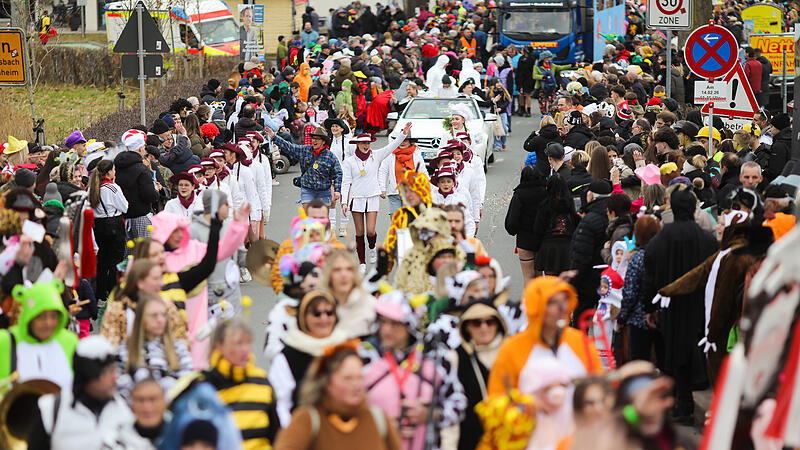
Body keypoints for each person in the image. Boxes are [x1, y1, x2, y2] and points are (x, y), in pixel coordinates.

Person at [644, 188, 718, 424]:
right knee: (700, 347)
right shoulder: (708, 240)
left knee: (674, 351)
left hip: (671, 306)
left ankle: (681, 403)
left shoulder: (660, 240)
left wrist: (649, 307)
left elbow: (649, 274)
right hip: (701, 304)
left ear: (673, 209)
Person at [274, 342, 402, 449]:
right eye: (348, 378)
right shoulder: (308, 419)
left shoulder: (378, 419)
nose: (356, 385)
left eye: (359, 377)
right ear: (327, 381)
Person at [488, 276, 603, 394]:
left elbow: (599, 387)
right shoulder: (512, 349)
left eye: (565, 300)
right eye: (553, 302)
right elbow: (498, 397)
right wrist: (530, 402)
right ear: (535, 306)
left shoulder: (580, 341)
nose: (562, 308)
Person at [27, 336, 134, 450]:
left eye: (114, 370)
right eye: (107, 372)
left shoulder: (126, 410)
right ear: (88, 376)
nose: (115, 378)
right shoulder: (51, 410)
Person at [269, 290, 347, 426]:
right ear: (303, 317)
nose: (324, 319)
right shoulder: (287, 356)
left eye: (329, 313)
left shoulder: (345, 348)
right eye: (316, 314)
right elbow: (281, 404)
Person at [341, 124, 411, 270]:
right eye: (363, 143)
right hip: (356, 198)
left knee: (371, 231)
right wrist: (344, 202)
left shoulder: (376, 155)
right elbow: (346, 183)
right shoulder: (349, 162)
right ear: (357, 144)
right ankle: (362, 262)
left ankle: (372, 248)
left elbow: (391, 147)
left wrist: (403, 134)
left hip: (372, 196)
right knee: (360, 232)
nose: (366, 146)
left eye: (368, 143)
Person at [202, 319, 280, 449]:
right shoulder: (204, 384)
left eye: (248, 343)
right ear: (219, 345)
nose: (245, 350)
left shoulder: (262, 381)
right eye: (238, 343)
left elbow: (276, 433)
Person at [0, 279, 78, 390]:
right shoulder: (5, 341)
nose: (48, 323)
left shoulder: (70, 341)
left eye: (54, 316)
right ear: (29, 317)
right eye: (41, 316)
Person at [453, 300, 508, 449]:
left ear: (498, 324)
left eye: (490, 322)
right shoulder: (456, 358)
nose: (484, 328)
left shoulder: (511, 352)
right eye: (476, 323)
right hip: (471, 442)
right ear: (466, 327)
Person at [117, 296, 193, 398]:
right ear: (141, 318)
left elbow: (187, 383)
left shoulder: (177, 348)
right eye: (154, 315)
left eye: (163, 315)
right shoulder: (125, 349)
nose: (160, 320)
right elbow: (118, 386)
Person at [265, 125, 343, 207]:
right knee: (308, 214)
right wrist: (274, 136)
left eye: (317, 139)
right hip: (307, 190)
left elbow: (338, 173)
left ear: (323, 142)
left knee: (321, 215)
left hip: (324, 192)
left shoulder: (330, 156)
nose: (314, 141)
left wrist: (337, 190)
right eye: (313, 138)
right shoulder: (305, 150)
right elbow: (290, 147)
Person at [569, 179, 612, 323]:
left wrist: (573, 282)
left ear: (591, 196)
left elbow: (581, 255)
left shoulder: (589, 221)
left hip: (589, 280)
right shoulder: (614, 215)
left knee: (582, 319)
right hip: (610, 277)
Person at [88, 159, 128, 302]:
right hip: (114, 224)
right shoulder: (112, 187)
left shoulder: (92, 188)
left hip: (98, 225)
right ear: (109, 172)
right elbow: (125, 207)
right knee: (115, 261)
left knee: (102, 261)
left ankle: (100, 293)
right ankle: (112, 292)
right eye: (114, 169)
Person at [320, 249, 377, 337]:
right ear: (329, 274)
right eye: (337, 270)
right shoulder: (319, 304)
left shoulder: (371, 305)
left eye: (349, 269)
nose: (344, 275)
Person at [505, 166, 547, 285]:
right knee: (539, 275)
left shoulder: (519, 194)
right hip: (541, 238)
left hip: (525, 239)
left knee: (528, 276)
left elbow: (512, 219)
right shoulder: (545, 192)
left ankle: (529, 297)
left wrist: (513, 230)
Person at [116, 129, 161, 241]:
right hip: (141, 216)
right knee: (144, 249)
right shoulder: (142, 170)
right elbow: (150, 195)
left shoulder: (117, 166)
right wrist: (156, 191)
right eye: (144, 147)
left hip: (123, 218)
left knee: (128, 250)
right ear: (140, 148)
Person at [533, 173, 580, 276]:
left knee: (551, 282)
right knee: (566, 282)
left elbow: (538, 229)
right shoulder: (572, 204)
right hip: (568, 246)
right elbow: (578, 224)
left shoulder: (544, 205)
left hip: (549, 247)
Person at [101, 377, 167, 449]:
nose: (147, 408)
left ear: (164, 402)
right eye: (140, 401)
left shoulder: (176, 435)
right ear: (132, 405)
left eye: (153, 400)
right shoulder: (114, 441)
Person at [378, 132, 427, 217]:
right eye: (401, 140)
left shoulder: (416, 155)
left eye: (405, 140)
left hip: (411, 194)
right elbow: (383, 171)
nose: (403, 142)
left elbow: (423, 173)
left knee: (408, 220)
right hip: (394, 193)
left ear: (410, 142)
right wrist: (382, 188)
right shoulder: (390, 154)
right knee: (395, 220)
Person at [430, 163, 476, 237]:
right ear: (438, 184)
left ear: (453, 184)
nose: (446, 184)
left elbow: (468, 222)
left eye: (449, 181)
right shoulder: (431, 197)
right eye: (442, 182)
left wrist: (467, 239)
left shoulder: (460, 199)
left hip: (455, 237)